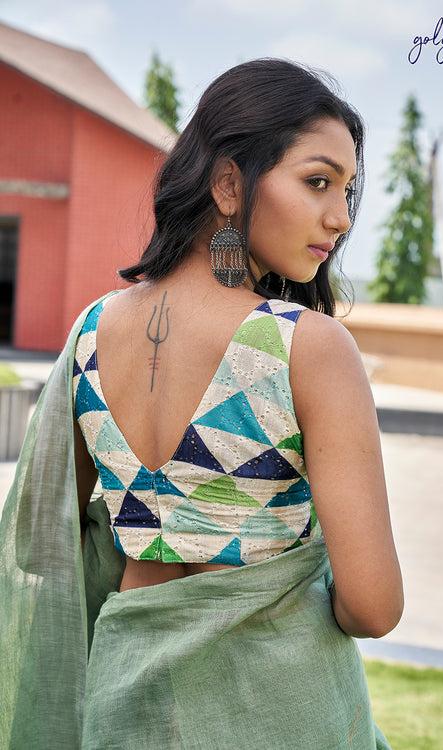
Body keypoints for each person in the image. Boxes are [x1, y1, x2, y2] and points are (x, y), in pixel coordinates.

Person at [0, 58, 403, 749]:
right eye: (317, 182)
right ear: (227, 183)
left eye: (346, 191)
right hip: (276, 707)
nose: (339, 217)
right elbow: (373, 606)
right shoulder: (305, 347)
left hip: (127, 706)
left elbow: (48, 546)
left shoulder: (92, 332)